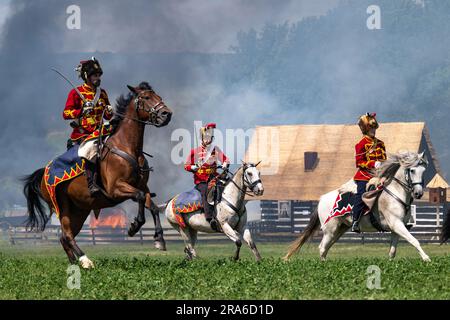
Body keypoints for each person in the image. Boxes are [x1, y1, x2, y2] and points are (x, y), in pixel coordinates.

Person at [62, 57, 114, 195]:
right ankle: (92, 185)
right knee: (91, 148)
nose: (98, 78)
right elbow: (66, 113)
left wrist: (109, 112)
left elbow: (107, 116)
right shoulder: (76, 92)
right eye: (95, 75)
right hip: (83, 134)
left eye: (98, 75)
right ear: (87, 76)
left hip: (101, 131)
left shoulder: (102, 93)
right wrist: (81, 111)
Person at [184, 123, 230, 230]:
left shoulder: (215, 150)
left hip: (214, 177)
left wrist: (224, 164)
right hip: (202, 180)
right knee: (206, 192)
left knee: (227, 187)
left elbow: (226, 159)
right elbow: (186, 165)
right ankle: (210, 218)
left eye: (209, 138)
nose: (208, 140)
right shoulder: (195, 152)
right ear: (202, 139)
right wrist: (192, 168)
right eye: (206, 138)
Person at [352, 113, 387, 233]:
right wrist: (373, 164)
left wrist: (383, 165)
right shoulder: (361, 144)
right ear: (366, 129)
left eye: (374, 128)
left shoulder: (380, 144)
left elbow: (384, 159)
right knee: (361, 195)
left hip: (379, 174)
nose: (373, 130)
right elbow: (359, 162)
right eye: (371, 128)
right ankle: (355, 221)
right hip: (364, 175)